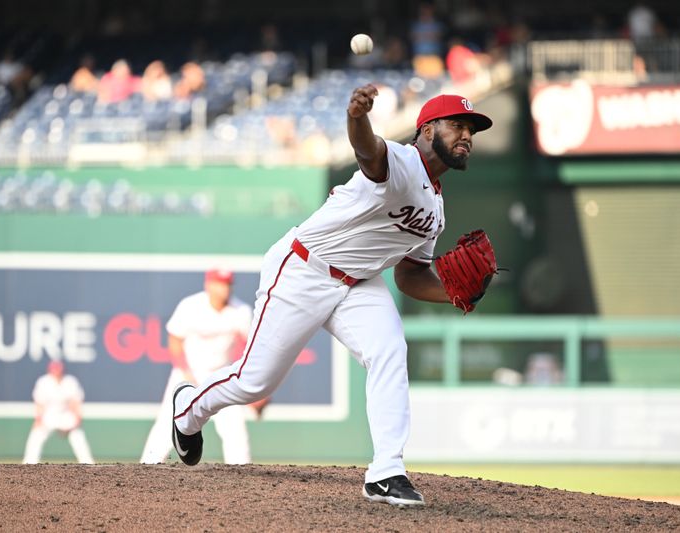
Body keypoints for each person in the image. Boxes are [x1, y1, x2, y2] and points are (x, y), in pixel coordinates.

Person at [170, 86, 492, 506]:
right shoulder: (401, 162)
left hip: (358, 283)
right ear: (428, 129)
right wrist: (357, 117)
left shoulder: (436, 210)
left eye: (471, 129)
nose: (466, 135)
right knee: (255, 380)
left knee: (390, 349)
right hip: (304, 268)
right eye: (456, 125)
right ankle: (188, 409)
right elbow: (368, 151)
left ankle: (386, 472)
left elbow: (410, 276)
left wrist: (453, 291)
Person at [140, 269, 260, 465]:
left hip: (222, 374)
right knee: (167, 424)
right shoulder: (191, 306)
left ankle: (241, 473)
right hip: (187, 374)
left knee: (235, 429)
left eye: (228, 283)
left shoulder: (240, 311)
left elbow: (250, 346)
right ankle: (147, 467)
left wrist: (253, 384)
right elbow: (175, 340)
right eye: (220, 283)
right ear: (209, 284)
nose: (224, 288)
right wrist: (186, 372)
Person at [22, 360, 94, 464]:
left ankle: (88, 463)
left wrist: (77, 419)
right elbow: (39, 404)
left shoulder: (70, 381)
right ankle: (29, 463)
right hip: (49, 415)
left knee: (77, 434)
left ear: (62, 370)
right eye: (54, 369)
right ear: (50, 370)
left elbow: (75, 402)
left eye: (58, 369)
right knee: (36, 435)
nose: (56, 371)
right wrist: (38, 419)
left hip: (65, 414)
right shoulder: (43, 382)